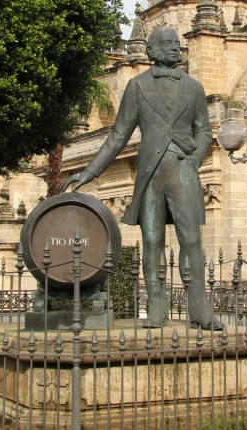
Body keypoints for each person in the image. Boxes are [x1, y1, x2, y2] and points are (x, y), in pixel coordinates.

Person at [62, 27, 223, 330]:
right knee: (152, 242)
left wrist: (195, 158)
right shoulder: (136, 86)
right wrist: (88, 172)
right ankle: (157, 307)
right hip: (150, 175)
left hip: (183, 170)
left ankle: (200, 310)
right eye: (168, 44)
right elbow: (118, 135)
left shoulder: (194, 87)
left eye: (178, 43)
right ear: (152, 51)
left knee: (191, 240)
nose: (176, 48)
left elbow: (203, 128)